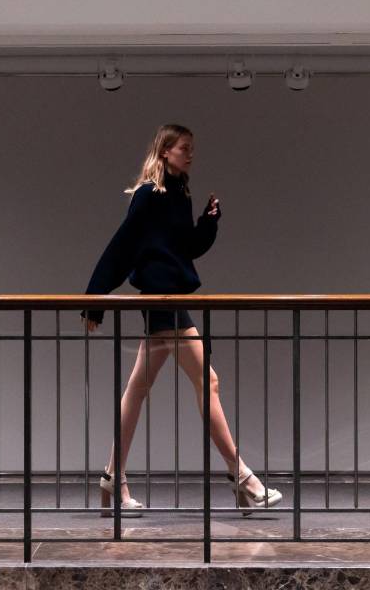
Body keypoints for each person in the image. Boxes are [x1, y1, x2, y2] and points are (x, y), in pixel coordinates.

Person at [81, 123, 283, 517]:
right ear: (164, 151)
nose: (190, 154)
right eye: (184, 148)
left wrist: (208, 222)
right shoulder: (147, 196)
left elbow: (186, 248)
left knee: (137, 390)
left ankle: (112, 476)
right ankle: (243, 478)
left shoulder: (178, 194)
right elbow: (122, 246)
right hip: (161, 300)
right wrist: (95, 299)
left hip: (171, 297)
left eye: (192, 148)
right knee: (207, 381)